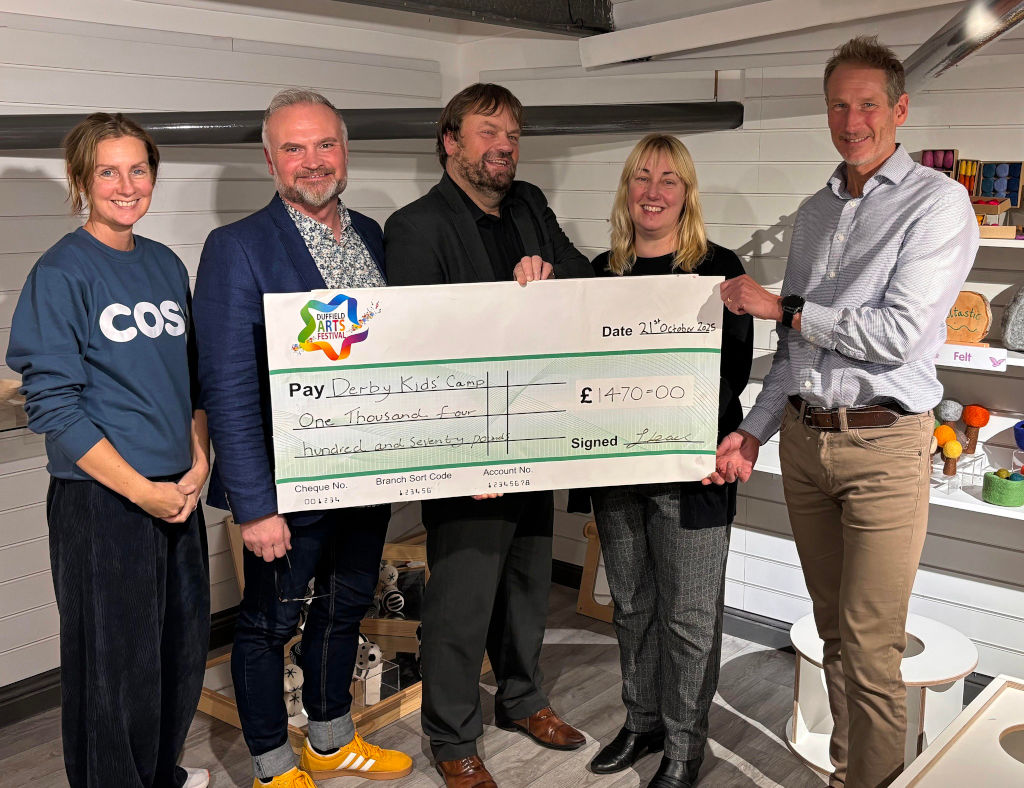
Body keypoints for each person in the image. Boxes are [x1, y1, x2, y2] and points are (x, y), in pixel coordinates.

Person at [707, 37, 978, 788]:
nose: (851, 121)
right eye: (837, 105)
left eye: (867, 105)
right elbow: (794, 352)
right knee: (833, 632)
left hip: (884, 448)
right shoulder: (814, 213)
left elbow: (897, 334)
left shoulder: (938, 202)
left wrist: (786, 307)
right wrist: (751, 431)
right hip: (804, 443)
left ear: (899, 108)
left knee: (870, 645)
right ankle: (847, 772)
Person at [192, 89, 412, 788]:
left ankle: (330, 740)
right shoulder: (236, 248)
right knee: (268, 625)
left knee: (345, 610)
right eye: (294, 148)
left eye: (325, 144)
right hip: (286, 485)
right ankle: (272, 765)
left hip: (367, 472)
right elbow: (226, 385)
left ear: (344, 151)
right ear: (271, 160)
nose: (313, 161)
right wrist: (255, 506)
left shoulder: (371, 234)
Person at [384, 82, 593, 788]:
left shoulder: (529, 203)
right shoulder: (414, 227)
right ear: (451, 142)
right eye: (488, 131)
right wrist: (462, 457)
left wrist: (550, 276)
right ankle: (451, 737)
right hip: (468, 445)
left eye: (512, 134)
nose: (504, 145)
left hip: (535, 430)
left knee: (529, 584)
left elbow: (581, 279)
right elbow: (419, 350)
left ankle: (523, 699)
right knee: (462, 600)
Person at [7, 114, 211, 788]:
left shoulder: (164, 264)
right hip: (104, 501)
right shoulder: (62, 272)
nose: (126, 185)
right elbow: (54, 408)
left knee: (177, 652)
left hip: (176, 492)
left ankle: (159, 776)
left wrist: (199, 458)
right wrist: (141, 490)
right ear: (81, 180)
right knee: (113, 670)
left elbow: (191, 378)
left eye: (138, 169)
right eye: (107, 171)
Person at [566, 134, 753, 788]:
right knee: (632, 606)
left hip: (693, 472)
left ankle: (683, 745)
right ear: (627, 190)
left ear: (686, 193)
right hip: (618, 471)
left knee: (689, 618)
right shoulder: (602, 272)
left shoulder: (719, 269)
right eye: (641, 177)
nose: (653, 191)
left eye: (668, 179)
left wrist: (686, 432)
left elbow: (730, 373)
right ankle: (642, 720)